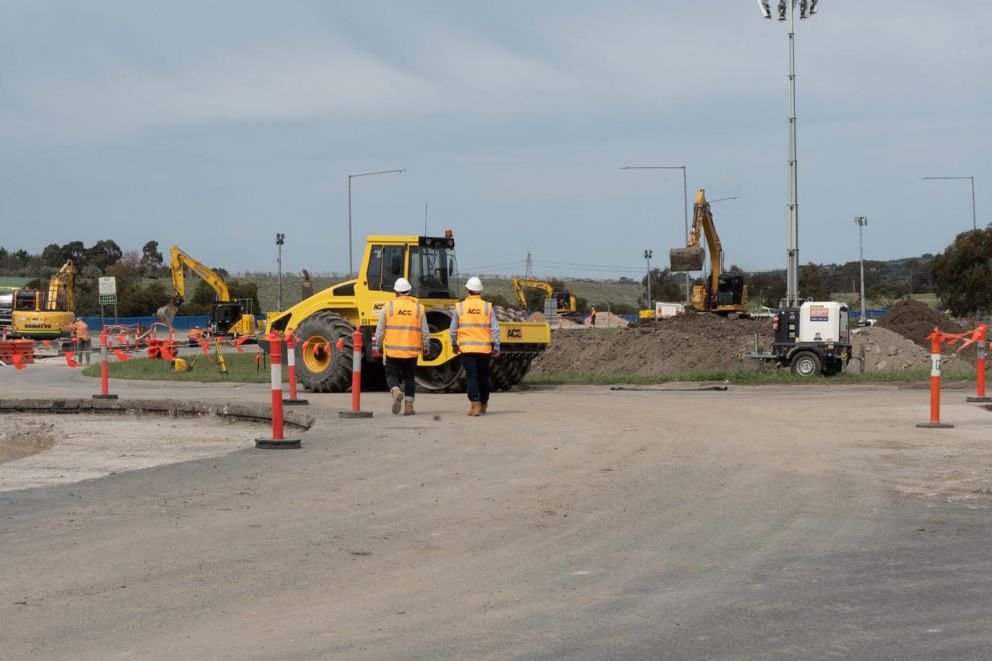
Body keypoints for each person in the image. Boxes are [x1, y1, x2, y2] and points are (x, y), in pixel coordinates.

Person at [372, 277, 430, 415]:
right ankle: (409, 407)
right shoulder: (418, 308)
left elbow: (380, 330)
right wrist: (426, 347)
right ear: (409, 291)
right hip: (412, 351)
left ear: (396, 292)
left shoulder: (388, 307)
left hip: (393, 350)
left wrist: (378, 345)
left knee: (391, 375)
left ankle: (396, 390)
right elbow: (425, 331)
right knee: (410, 378)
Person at [450, 276, 500, 416]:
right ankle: (484, 404)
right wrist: (496, 346)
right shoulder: (487, 307)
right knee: (483, 376)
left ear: (467, 290)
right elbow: (495, 328)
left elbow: (453, 329)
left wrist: (454, 344)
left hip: (467, 349)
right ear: (480, 291)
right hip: (484, 349)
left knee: (471, 377)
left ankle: (475, 406)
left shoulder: (460, 307)